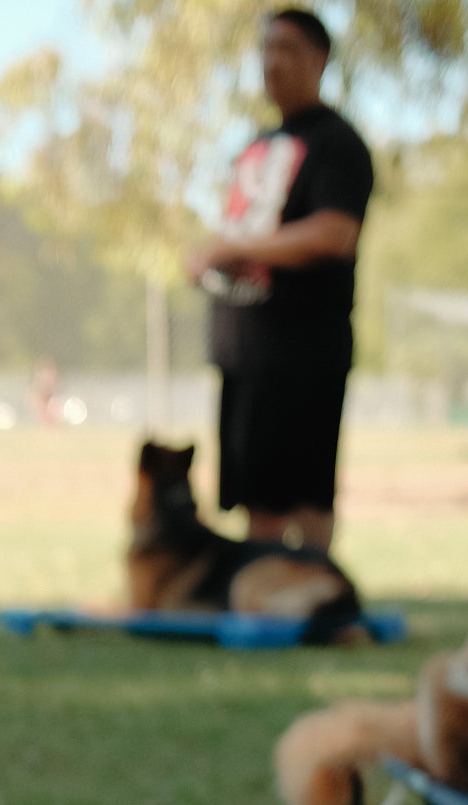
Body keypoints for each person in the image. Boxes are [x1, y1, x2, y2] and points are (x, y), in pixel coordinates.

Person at [188, 9, 373, 552]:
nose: (271, 61)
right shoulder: (255, 143)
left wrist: (237, 247)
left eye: (287, 48)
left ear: (319, 59)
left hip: (303, 350)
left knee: (306, 495)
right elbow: (247, 228)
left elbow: (336, 232)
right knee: (256, 495)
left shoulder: (337, 143)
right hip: (245, 349)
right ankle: (265, 601)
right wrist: (211, 257)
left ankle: (313, 596)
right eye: (265, 48)